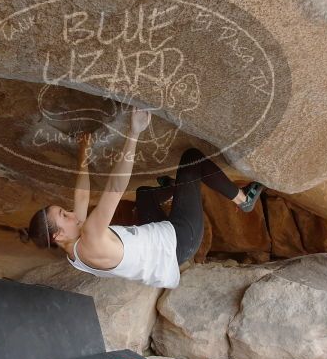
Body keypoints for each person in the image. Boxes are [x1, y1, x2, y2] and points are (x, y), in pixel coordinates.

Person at [26, 109, 264, 289]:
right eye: (63, 216)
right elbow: (115, 187)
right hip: (180, 240)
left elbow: (81, 195)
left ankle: (174, 189)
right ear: (58, 235)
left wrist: (83, 155)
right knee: (192, 160)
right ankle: (244, 200)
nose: (70, 213)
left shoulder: (73, 252)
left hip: (159, 242)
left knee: (144, 196)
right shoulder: (91, 238)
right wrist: (134, 132)